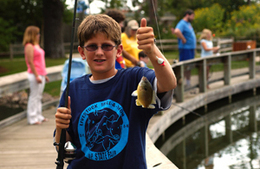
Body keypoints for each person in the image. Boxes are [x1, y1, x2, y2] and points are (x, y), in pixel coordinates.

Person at [54, 14, 177, 169]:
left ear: (119, 50)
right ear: (82, 52)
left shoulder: (135, 79)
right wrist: (60, 127)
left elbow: (169, 83)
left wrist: (152, 51)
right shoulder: (73, 89)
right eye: (92, 46)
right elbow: (63, 148)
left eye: (106, 46)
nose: (99, 52)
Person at [23, 26, 49, 125]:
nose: (39, 35)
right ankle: (32, 118)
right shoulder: (29, 46)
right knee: (33, 96)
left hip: (41, 73)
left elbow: (41, 62)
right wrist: (37, 75)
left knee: (39, 96)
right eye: (37, 34)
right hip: (34, 74)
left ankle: (39, 116)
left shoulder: (36, 45)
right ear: (33, 35)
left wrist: (44, 74)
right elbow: (30, 62)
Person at [174, 9, 196, 87]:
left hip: (190, 48)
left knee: (189, 66)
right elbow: (176, 31)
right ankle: (180, 83)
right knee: (184, 66)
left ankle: (187, 82)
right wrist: (183, 39)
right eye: (192, 16)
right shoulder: (182, 23)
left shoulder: (188, 24)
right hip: (185, 49)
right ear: (187, 15)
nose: (193, 18)